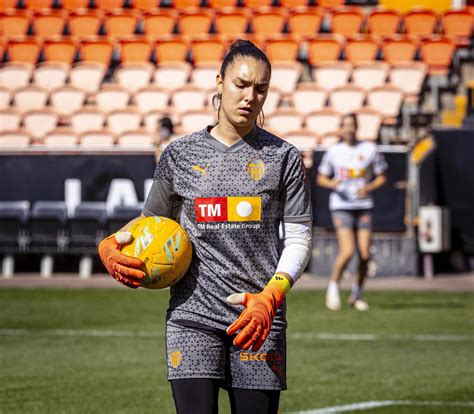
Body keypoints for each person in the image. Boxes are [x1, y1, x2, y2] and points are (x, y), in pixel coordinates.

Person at [98, 40, 312, 414]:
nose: (250, 96)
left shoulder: (284, 158)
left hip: (257, 318)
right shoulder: (179, 155)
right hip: (191, 316)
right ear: (219, 82)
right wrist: (112, 243)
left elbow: (299, 238)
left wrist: (272, 296)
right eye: (241, 84)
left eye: (260, 88)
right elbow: (152, 223)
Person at [317, 113, 387, 311]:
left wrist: (368, 188)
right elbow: (321, 178)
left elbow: (382, 177)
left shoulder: (370, 149)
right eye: (345, 125)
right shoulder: (333, 152)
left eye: (352, 125)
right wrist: (333, 183)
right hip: (341, 206)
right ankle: (333, 288)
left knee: (364, 255)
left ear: (357, 127)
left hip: (363, 205)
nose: (348, 129)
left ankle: (357, 294)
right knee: (347, 251)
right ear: (340, 128)